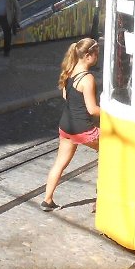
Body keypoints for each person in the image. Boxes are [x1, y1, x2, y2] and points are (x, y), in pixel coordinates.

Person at [41, 38, 101, 211]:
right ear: (88, 56)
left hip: (66, 126)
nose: (97, 58)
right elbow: (92, 109)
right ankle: (101, 199)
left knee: (59, 163)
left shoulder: (69, 71)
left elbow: (67, 97)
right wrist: (109, 113)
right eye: (96, 54)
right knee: (110, 153)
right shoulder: (87, 79)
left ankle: (47, 199)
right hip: (83, 129)